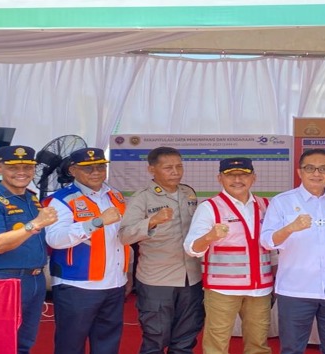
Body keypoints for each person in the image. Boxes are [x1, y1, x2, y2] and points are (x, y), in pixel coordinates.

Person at [260, 148, 325, 354]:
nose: (316, 173)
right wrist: (290, 228)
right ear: (300, 172)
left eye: (323, 169)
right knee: (292, 349)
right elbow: (267, 242)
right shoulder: (282, 201)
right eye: (310, 168)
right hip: (296, 289)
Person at [0, 145, 58, 354]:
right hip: (4, 279)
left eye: (27, 167)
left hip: (35, 279)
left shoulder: (31, 198)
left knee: (24, 343)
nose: (21, 172)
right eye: (13, 167)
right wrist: (35, 224)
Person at [183, 157, 273, 354]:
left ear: (254, 178)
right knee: (216, 345)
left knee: (258, 345)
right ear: (220, 178)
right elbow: (191, 248)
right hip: (222, 290)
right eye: (230, 175)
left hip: (260, 290)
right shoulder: (210, 207)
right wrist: (209, 237)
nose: (237, 180)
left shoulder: (266, 205)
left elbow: (273, 248)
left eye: (243, 175)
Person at [118, 146, 203, 354]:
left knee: (186, 337)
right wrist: (152, 221)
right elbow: (124, 236)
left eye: (179, 166)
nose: (175, 172)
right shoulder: (142, 198)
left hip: (191, 277)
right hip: (157, 279)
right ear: (151, 170)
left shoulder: (188, 193)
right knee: (156, 337)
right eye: (168, 168)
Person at [46, 147, 129, 354]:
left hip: (114, 283)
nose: (96, 172)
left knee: (107, 345)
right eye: (88, 168)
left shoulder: (115, 196)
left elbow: (120, 237)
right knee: (71, 346)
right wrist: (96, 222)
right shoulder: (61, 199)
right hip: (77, 285)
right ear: (73, 170)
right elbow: (55, 239)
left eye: (100, 167)